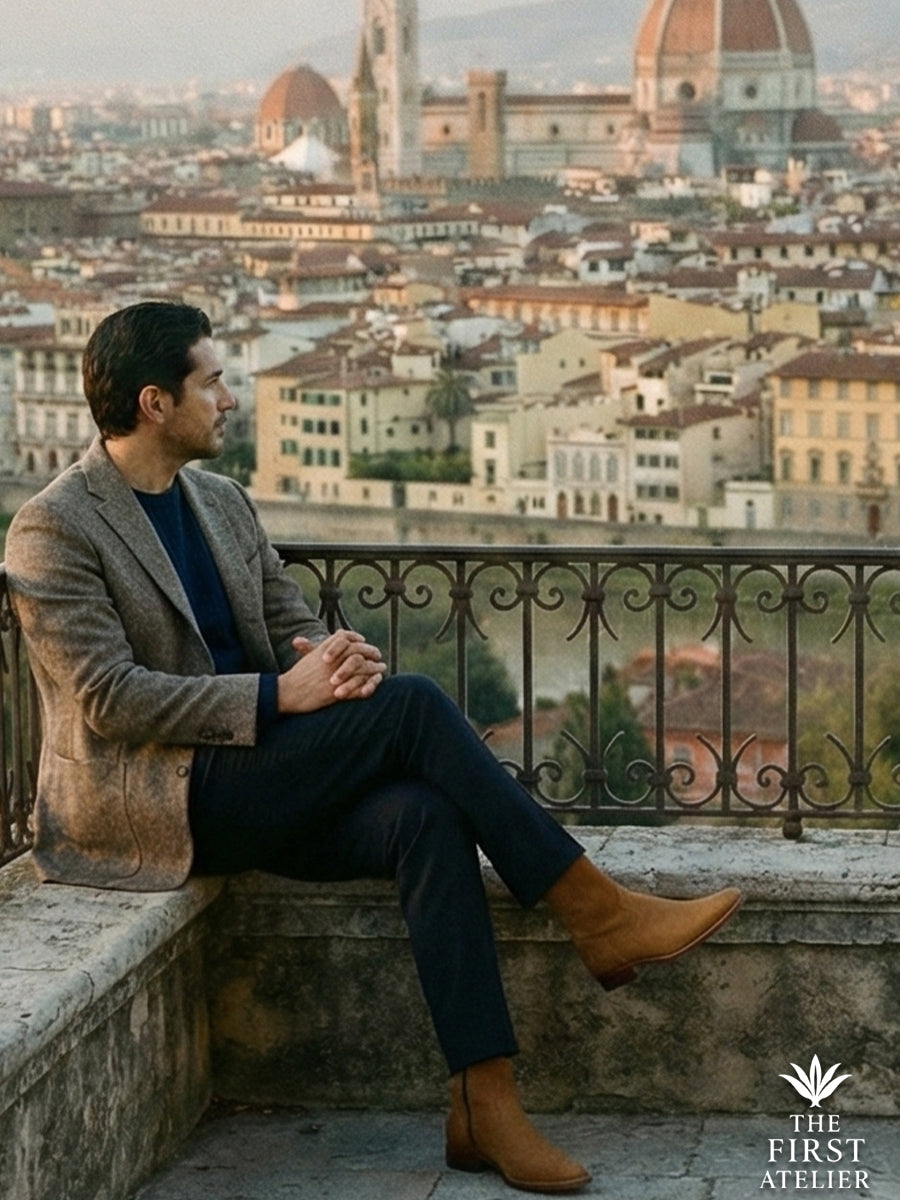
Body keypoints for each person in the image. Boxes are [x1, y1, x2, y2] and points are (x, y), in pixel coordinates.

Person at [6, 302, 741, 1195]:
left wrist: (334, 660)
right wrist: (284, 694)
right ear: (155, 404)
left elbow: (291, 624)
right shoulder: (55, 526)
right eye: (214, 383)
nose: (230, 400)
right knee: (416, 708)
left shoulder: (221, 502)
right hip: (157, 801)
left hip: (260, 775)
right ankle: (596, 911)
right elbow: (109, 699)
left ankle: (484, 1103)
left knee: (424, 817)